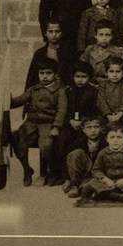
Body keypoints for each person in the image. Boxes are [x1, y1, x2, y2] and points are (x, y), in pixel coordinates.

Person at [10, 58, 67, 186]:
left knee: (46, 146)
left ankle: (49, 173)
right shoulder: (33, 89)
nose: (45, 76)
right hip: (31, 124)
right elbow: (20, 100)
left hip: (48, 124)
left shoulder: (60, 91)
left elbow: (61, 110)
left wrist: (56, 127)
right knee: (17, 140)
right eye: (42, 73)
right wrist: (8, 100)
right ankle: (27, 170)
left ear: (55, 75)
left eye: (48, 73)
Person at [80, 122, 123, 202]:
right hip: (108, 182)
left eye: (119, 137)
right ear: (107, 139)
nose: (115, 140)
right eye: (112, 137)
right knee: (92, 182)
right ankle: (117, 196)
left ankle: (104, 194)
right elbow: (96, 170)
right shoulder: (103, 152)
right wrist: (105, 179)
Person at [57, 61, 98, 187]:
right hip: (70, 124)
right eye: (77, 76)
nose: (80, 80)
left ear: (89, 77)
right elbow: (64, 109)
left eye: (84, 77)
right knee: (62, 142)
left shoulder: (93, 91)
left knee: (79, 144)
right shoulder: (68, 90)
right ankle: (66, 177)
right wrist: (71, 120)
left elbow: (95, 110)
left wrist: (84, 122)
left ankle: (79, 176)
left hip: (86, 125)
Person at [25, 19, 75, 89]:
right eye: (51, 31)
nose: (54, 35)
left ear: (62, 33)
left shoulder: (68, 52)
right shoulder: (40, 53)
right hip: (44, 89)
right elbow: (32, 76)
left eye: (57, 31)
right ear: (45, 33)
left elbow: (71, 74)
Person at [64, 116, 107, 198]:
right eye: (89, 127)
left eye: (96, 127)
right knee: (75, 153)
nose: (93, 130)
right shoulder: (77, 142)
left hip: (100, 173)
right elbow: (67, 162)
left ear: (101, 128)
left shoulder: (106, 142)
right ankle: (75, 185)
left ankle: (89, 187)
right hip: (85, 173)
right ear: (83, 130)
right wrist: (67, 179)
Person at [96, 55, 123, 128]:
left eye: (118, 71)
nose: (115, 75)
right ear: (106, 72)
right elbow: (101, 101)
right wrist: (108, 115)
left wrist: (119, 114)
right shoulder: (102, 86)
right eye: (111, 71)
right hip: (106, 117)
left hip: (122, 117)